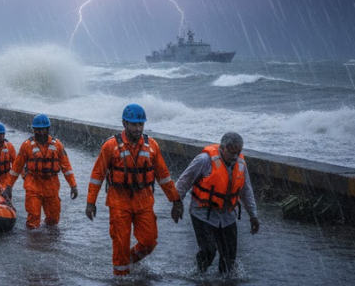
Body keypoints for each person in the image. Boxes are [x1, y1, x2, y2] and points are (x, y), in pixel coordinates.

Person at [85, 104, 182, 276]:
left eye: (141, 125)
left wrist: (175, 200)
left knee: (149, 241)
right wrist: (90, 202)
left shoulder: (151, 146)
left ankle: (130, 260)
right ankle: (121, 277)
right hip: (119, 201)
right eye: (134, 124)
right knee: (120, 243)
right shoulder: (110, 146)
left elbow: (164, 176)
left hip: (144, 200)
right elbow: (97, 175)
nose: (138, 129)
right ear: (124, 123)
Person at [172, 132, 260, 274]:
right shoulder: (204, 160)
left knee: (229, 257)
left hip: (227, 216)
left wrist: (253, 215)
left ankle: (225, 281)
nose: (235, 156)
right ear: (222, 148)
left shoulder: (241, 164)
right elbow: (183, 182)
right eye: (232, 152)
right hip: (202, 213)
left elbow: (246, 191)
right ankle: (198, 274)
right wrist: (177, 204)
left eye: (238, 152)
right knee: (209, 250)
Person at [4, 114, 78, 229]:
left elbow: (66, 167)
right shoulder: (27, 145)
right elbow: (16, 168)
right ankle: (32, 244)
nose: (41, 133)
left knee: (53, 219)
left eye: (43, 130)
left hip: (52, 185)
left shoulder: (57, 145)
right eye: (38, 130)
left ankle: (50, 244)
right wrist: (9, 186)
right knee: (33, 217)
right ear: (34, 129)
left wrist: (73, 185)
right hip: (33, 184)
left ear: (48, 129)